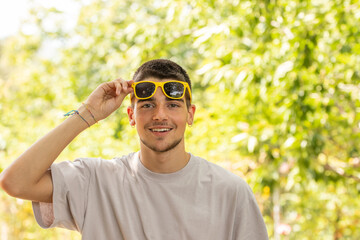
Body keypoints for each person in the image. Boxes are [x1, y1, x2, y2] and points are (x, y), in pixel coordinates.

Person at [0, 59, 269, 239]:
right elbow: (15, 182)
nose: (159, 115)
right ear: (131, 115)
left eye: (173, 105)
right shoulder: (96, 181)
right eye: (147, 105)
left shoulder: (229, 191)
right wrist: (87, 113)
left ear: (190, 114)